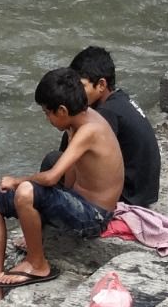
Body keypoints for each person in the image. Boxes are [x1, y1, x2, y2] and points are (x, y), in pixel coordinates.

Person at [0, 68, 123, 307]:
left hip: (93, 215)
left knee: (25, 191)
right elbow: (70, 174)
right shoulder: (77, 122)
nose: (47, 119)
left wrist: (17, 180)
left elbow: (53, 177)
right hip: (78, 201)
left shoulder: (89, 129)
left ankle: (38, 264)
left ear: (62, 110)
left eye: (47, 113)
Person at [63, 46, 161, 207]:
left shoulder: (106, 113)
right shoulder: (120, 100)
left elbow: (75, 155)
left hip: (129, 196)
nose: (75, 93)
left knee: (54, 160)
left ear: (101, 84)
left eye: (80, 87)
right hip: (142, 191)